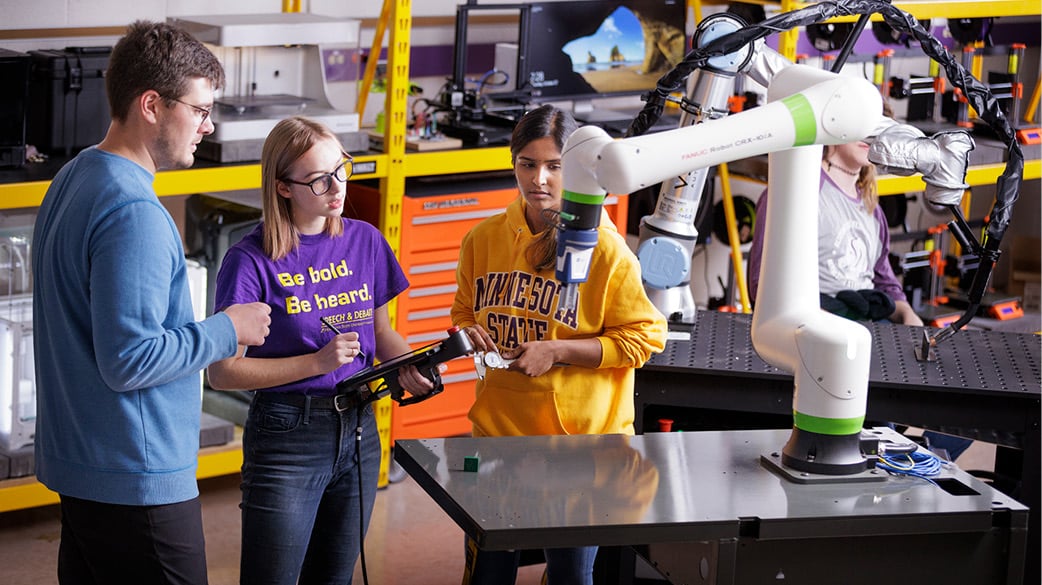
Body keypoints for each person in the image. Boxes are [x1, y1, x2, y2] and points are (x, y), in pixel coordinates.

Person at [31, 20, 272, 585]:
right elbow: (129, 359)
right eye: (200, 110)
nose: (207, 128)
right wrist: (227, 328)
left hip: (85, 468)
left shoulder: (75, 176)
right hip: (135, 479)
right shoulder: (135, 213)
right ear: (151, 105)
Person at [207, 115, 437, 585]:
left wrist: (410, 364)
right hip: (287, 433)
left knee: (334, 577)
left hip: (358, 429)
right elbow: (223, 373)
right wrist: (315, 363)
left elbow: (381, 333)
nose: (336, 188)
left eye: (341, 170)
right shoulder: (250, 260)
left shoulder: (365, 241)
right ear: (283, 187)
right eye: (318, 179)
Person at [450, 104, 668, 584]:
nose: (540, 180)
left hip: (580, 452)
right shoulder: (482, 239)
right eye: (527, 164)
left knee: (570, 574)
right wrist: (471, 332)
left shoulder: (606, 250)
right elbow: (464, 309)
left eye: (555, 165)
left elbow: (646, 338)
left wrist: (559, 351)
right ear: (513, 164)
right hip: (499, 439)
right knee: (488, 572)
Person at [748, 140, 973, 461]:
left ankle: (917, 455)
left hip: (874, 328)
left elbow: (884, 277)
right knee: (872, 411)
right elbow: (762, 286)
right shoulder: (795, 193)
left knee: (963, 402)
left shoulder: (872, 208)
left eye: (879, 130)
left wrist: (909, 318)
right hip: (822, 336)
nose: (871, 135)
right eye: (862, 125)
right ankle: (896, 453)